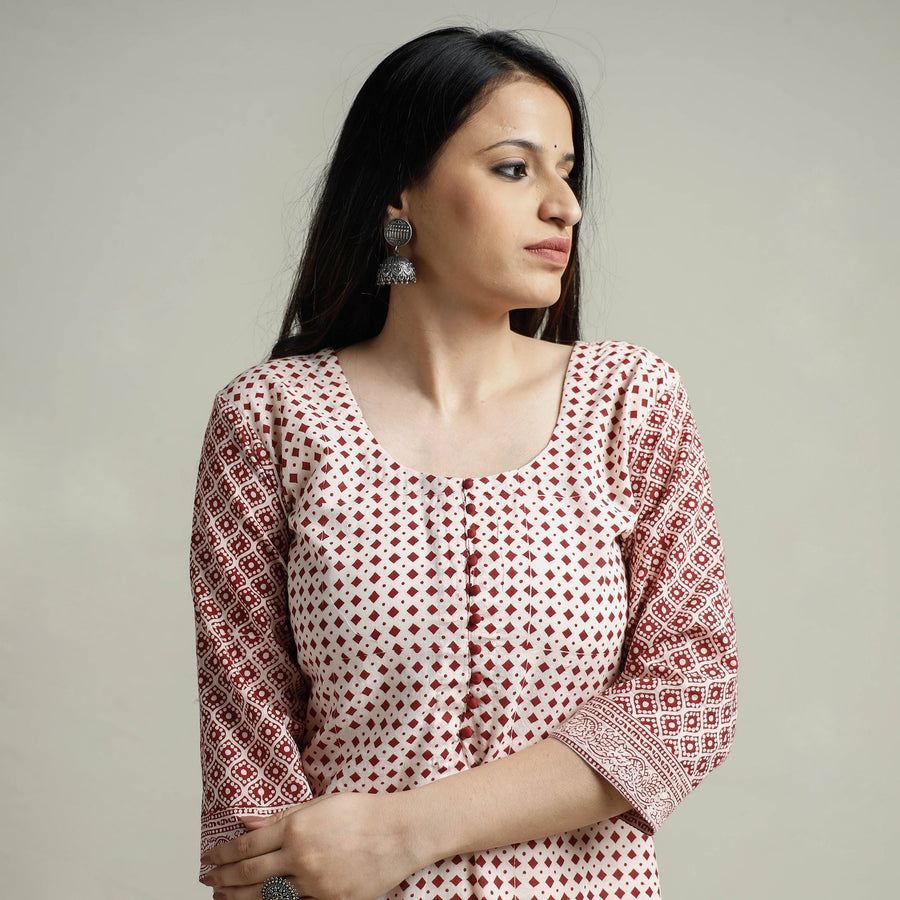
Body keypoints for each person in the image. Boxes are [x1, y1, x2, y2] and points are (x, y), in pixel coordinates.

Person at [190, 26, 737, 900]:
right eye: (515, 169)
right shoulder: (271, 419)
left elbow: (689, 696)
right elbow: (250, 800)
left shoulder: (630, 401)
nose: (564, 206)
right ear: (399, 198)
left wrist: (405, 832)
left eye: (568, 172)